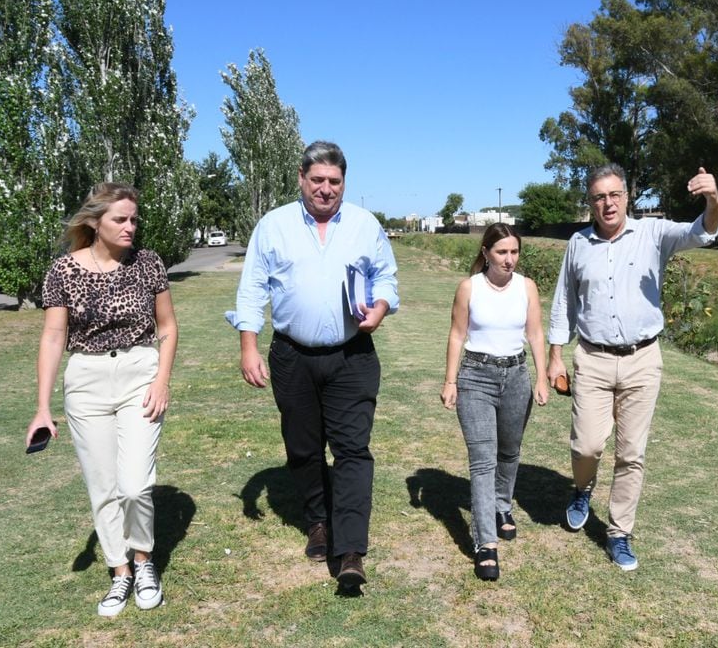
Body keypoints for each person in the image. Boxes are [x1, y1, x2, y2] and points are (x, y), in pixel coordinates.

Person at [226, 140, 399, 591]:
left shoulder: (365, 225)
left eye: (335, 182)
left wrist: (380, 307)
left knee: (352, 451)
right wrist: (248, 344)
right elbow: (252, 288)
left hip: (352, 356)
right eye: (317, 180)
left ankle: (351, 551)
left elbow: (386, 277)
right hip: (292, 356)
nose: (326, 189)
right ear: (301, 179)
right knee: (303, 449)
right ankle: (317, 521)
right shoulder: (273, 225)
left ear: (345, 183)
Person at [547, 163, 718, 571]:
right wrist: (556, 355)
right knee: (586, 445)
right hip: (592, 357)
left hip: (643, 359)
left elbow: (703, 231)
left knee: (631, 453)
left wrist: (714, 199)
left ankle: (619, 533)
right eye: (598, 197)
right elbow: (564, 302)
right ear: (590, 203)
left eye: (614, 195)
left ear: (627, 197)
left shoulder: (653, 234)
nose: (607, 204)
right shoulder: (578, 243)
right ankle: (582, 488)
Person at [25, 182, 178, 616]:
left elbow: (167, 326)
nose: (130, 227)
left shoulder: (148, 264)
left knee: (134, 484)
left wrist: (162, 379)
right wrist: (42, 407)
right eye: (120, 219)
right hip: (86, 380)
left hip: (139, 374)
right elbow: (54, 336)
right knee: (102, 486)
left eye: (134, 219)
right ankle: (120, 572)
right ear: (94, 222)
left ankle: (144, 562)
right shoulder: (63, 271)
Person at [440, 223, 549, 581]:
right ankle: (485, 543)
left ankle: (503, 506)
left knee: (509, 451)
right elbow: (457, 335)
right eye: (502, 252)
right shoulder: (468, 288)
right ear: (486, 253)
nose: (509, 259)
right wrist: (450, 380)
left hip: (516, 376)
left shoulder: (527, 287)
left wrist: (542, 377)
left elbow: (534, 333)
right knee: (483, 461)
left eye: (514, 252)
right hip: (475, 377)